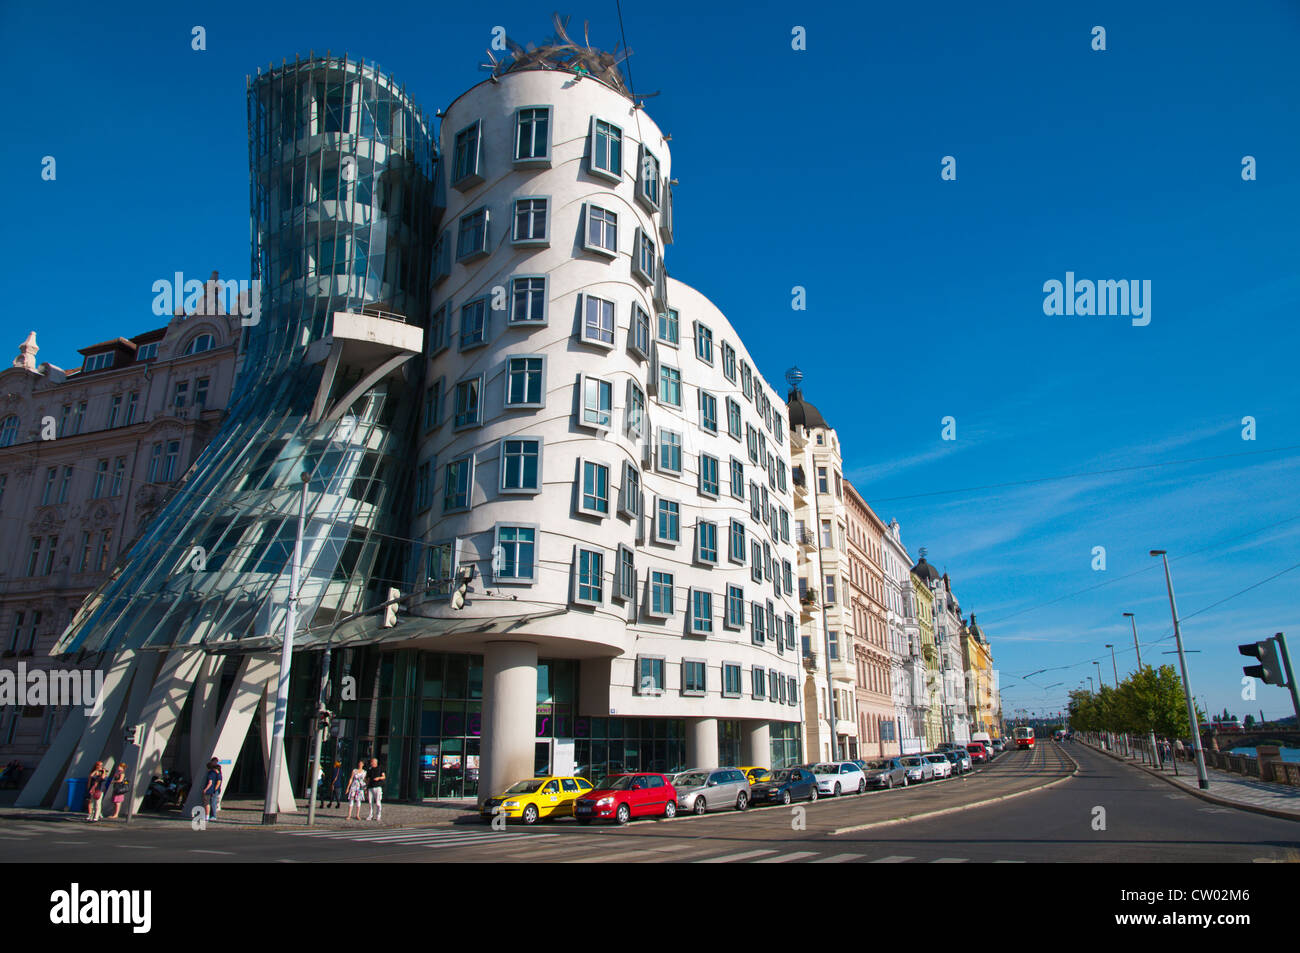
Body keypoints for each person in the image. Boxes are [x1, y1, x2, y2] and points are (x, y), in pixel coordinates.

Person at [201, 757, 222, 821]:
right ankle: (210, 815)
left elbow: (215, 782)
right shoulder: (216, 773)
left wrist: (214, 789)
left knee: (211, 802)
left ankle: (212, 816)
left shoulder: (213, 773)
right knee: (211, 802)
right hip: (214, 790)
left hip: (213, 790)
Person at [365, 757, 385, 822]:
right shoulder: (370, 769)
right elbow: (367, 778)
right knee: (370, 802)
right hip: (371, 787)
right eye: (371, 762)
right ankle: (370, 815)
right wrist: (366, 785)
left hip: (378, 786)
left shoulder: (380, 768)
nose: (371, 763)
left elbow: (384, 776)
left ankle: (378, 815)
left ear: (375, 762)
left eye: (372, 762)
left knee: (378, 802)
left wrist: (378, 778)